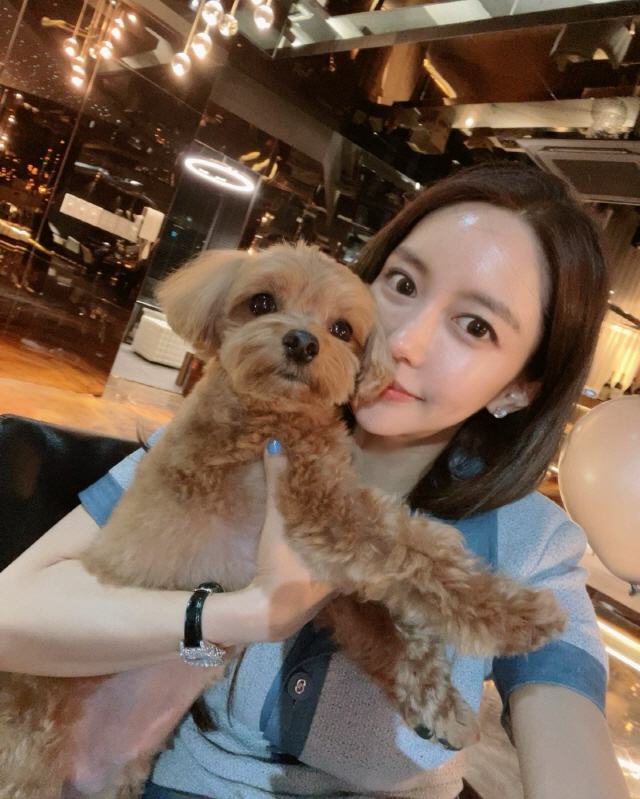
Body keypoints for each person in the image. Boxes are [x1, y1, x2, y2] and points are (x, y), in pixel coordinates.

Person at [0, 163, 630, 799]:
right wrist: (241, 615)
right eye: (403, 284)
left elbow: (570, 732)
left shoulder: (531, 543)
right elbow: (11, 614)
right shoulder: (233, 428)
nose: (405, 342)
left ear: (519, 388)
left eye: (475, 326)